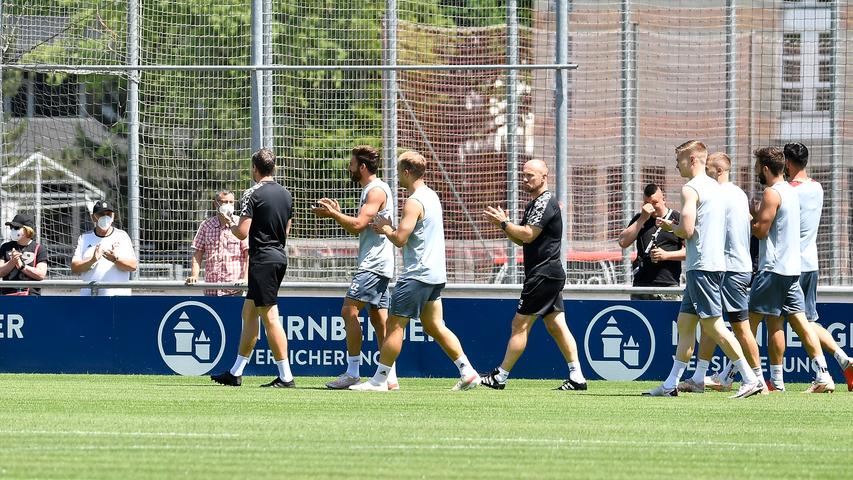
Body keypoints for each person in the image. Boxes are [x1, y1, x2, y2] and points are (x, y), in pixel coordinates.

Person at [349, 151, 479, 391]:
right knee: (434, 325)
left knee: (395, 326)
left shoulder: (414, 201)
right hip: (436, 274)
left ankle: (380, 381)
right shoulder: (432, 196)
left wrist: (385, 228)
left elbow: (400, 239)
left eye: (399, 172)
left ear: (407, 173)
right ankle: (468, 371)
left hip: (416, 274)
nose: (397, 177)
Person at [644, 140, 761, 398]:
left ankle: (750, 378)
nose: (676, 165)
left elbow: (686, 230)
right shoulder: (717, 188)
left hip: (702, 266)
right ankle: (670, 384)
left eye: (679, 160)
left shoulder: (691, 188)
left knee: (715, 326)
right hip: (714, 264)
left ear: (693, 160)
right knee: (685, 324)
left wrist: (668, 227)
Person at [479, 159, 587, 391]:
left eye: (530, 175)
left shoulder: (545, 202)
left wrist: (505, 222)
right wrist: (504, 225)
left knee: (519, 324)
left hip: (544, 274)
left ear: (544, 176)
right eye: (524, 175)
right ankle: (577, 377)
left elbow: (528, 234)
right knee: (557, 326)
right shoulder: (534, 203)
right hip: (548, 273)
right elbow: (521, 238)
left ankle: (501, 376)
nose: (525, 179)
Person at [746, 146, 834, 393]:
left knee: (747, 325)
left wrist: (748, 217)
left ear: (765, 168)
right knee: (794, 322)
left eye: (756, 168)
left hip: (772, 269)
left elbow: (761, 231)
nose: (756, 172)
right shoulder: (794, 191)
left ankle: (751, 378)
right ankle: (819, 374)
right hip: (793, 270)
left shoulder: (772, 193)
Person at [766, 142, 852, 391]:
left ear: (788, 163)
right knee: (808, 320)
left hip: (789, 264)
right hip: (811, 262)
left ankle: (777, 380)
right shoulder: (817, 187)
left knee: (776, 321)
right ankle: (842, 359)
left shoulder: (786, 190)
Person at [312, 145, 399, 389]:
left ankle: (352, 372)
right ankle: (388, 376)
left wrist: (333, 215)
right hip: (380, 264)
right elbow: (359, 223)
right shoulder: (372, 190)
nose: (348, 168)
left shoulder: (375, 190)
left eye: (351, 163)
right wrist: (339, 214)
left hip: (373, 264)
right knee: (379, 320)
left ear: (361, 167)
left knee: (349, 311)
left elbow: (359, 224)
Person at [210, 148, 295, 388]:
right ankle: (236, 372)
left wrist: (228, 222)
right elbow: (286, 230)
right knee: (248, 314)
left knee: (270, 318)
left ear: (254, 169)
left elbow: (242, 232)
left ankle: (286, 376)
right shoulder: (286, 194)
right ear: (274, 168)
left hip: (262, 260)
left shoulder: (251, 193)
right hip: (278, 256)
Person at [678, 152, 760, 393]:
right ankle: (699, 376)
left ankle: (755, 379)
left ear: (719, 171)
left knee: (738, 328)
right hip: (734, 264)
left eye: (709, 168)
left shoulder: (717, 192)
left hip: (729, 267)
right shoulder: (738, 193)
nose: (705, 172)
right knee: (710, 323)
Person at [618, 183, 685, 300]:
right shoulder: (640, 218)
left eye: (655, 203)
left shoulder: (677, 218)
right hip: (641, 286)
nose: (651, 207)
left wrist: (666, 255)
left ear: (663, 199)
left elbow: (692, 251)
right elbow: (623, 242)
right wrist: (643, 218)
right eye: (647, 203)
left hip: (668, 286)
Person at [185, 190, 249, 296]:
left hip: (235, 290)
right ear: (215, 203)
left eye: (231, 202)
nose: (228, 205)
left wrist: (245, 279)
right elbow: (198, 252)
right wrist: (194, 275)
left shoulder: (240, 225)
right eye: (224, 202)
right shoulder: (206, 225)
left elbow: (249, 254)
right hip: (211, 289)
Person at [70, 200, 137, 296]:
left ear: (113, 216)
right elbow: (74, 268)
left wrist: (116, 259)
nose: (105, 217)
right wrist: (92, 261)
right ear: (93, 217)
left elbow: (133, 266)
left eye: (108, 214)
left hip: (118, 300)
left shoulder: (122, 236)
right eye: (101, 214)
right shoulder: (84, 238)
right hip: (90, 298)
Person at [0, 213, 47, 296]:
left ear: (28, 230)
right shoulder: (5, 247)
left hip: (31, 297)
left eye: (16, 227)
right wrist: (12, 262)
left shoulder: (39, 248)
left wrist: (22, 266)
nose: (13, 230)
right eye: (11, 227)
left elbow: (41, 274)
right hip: (7, 296)